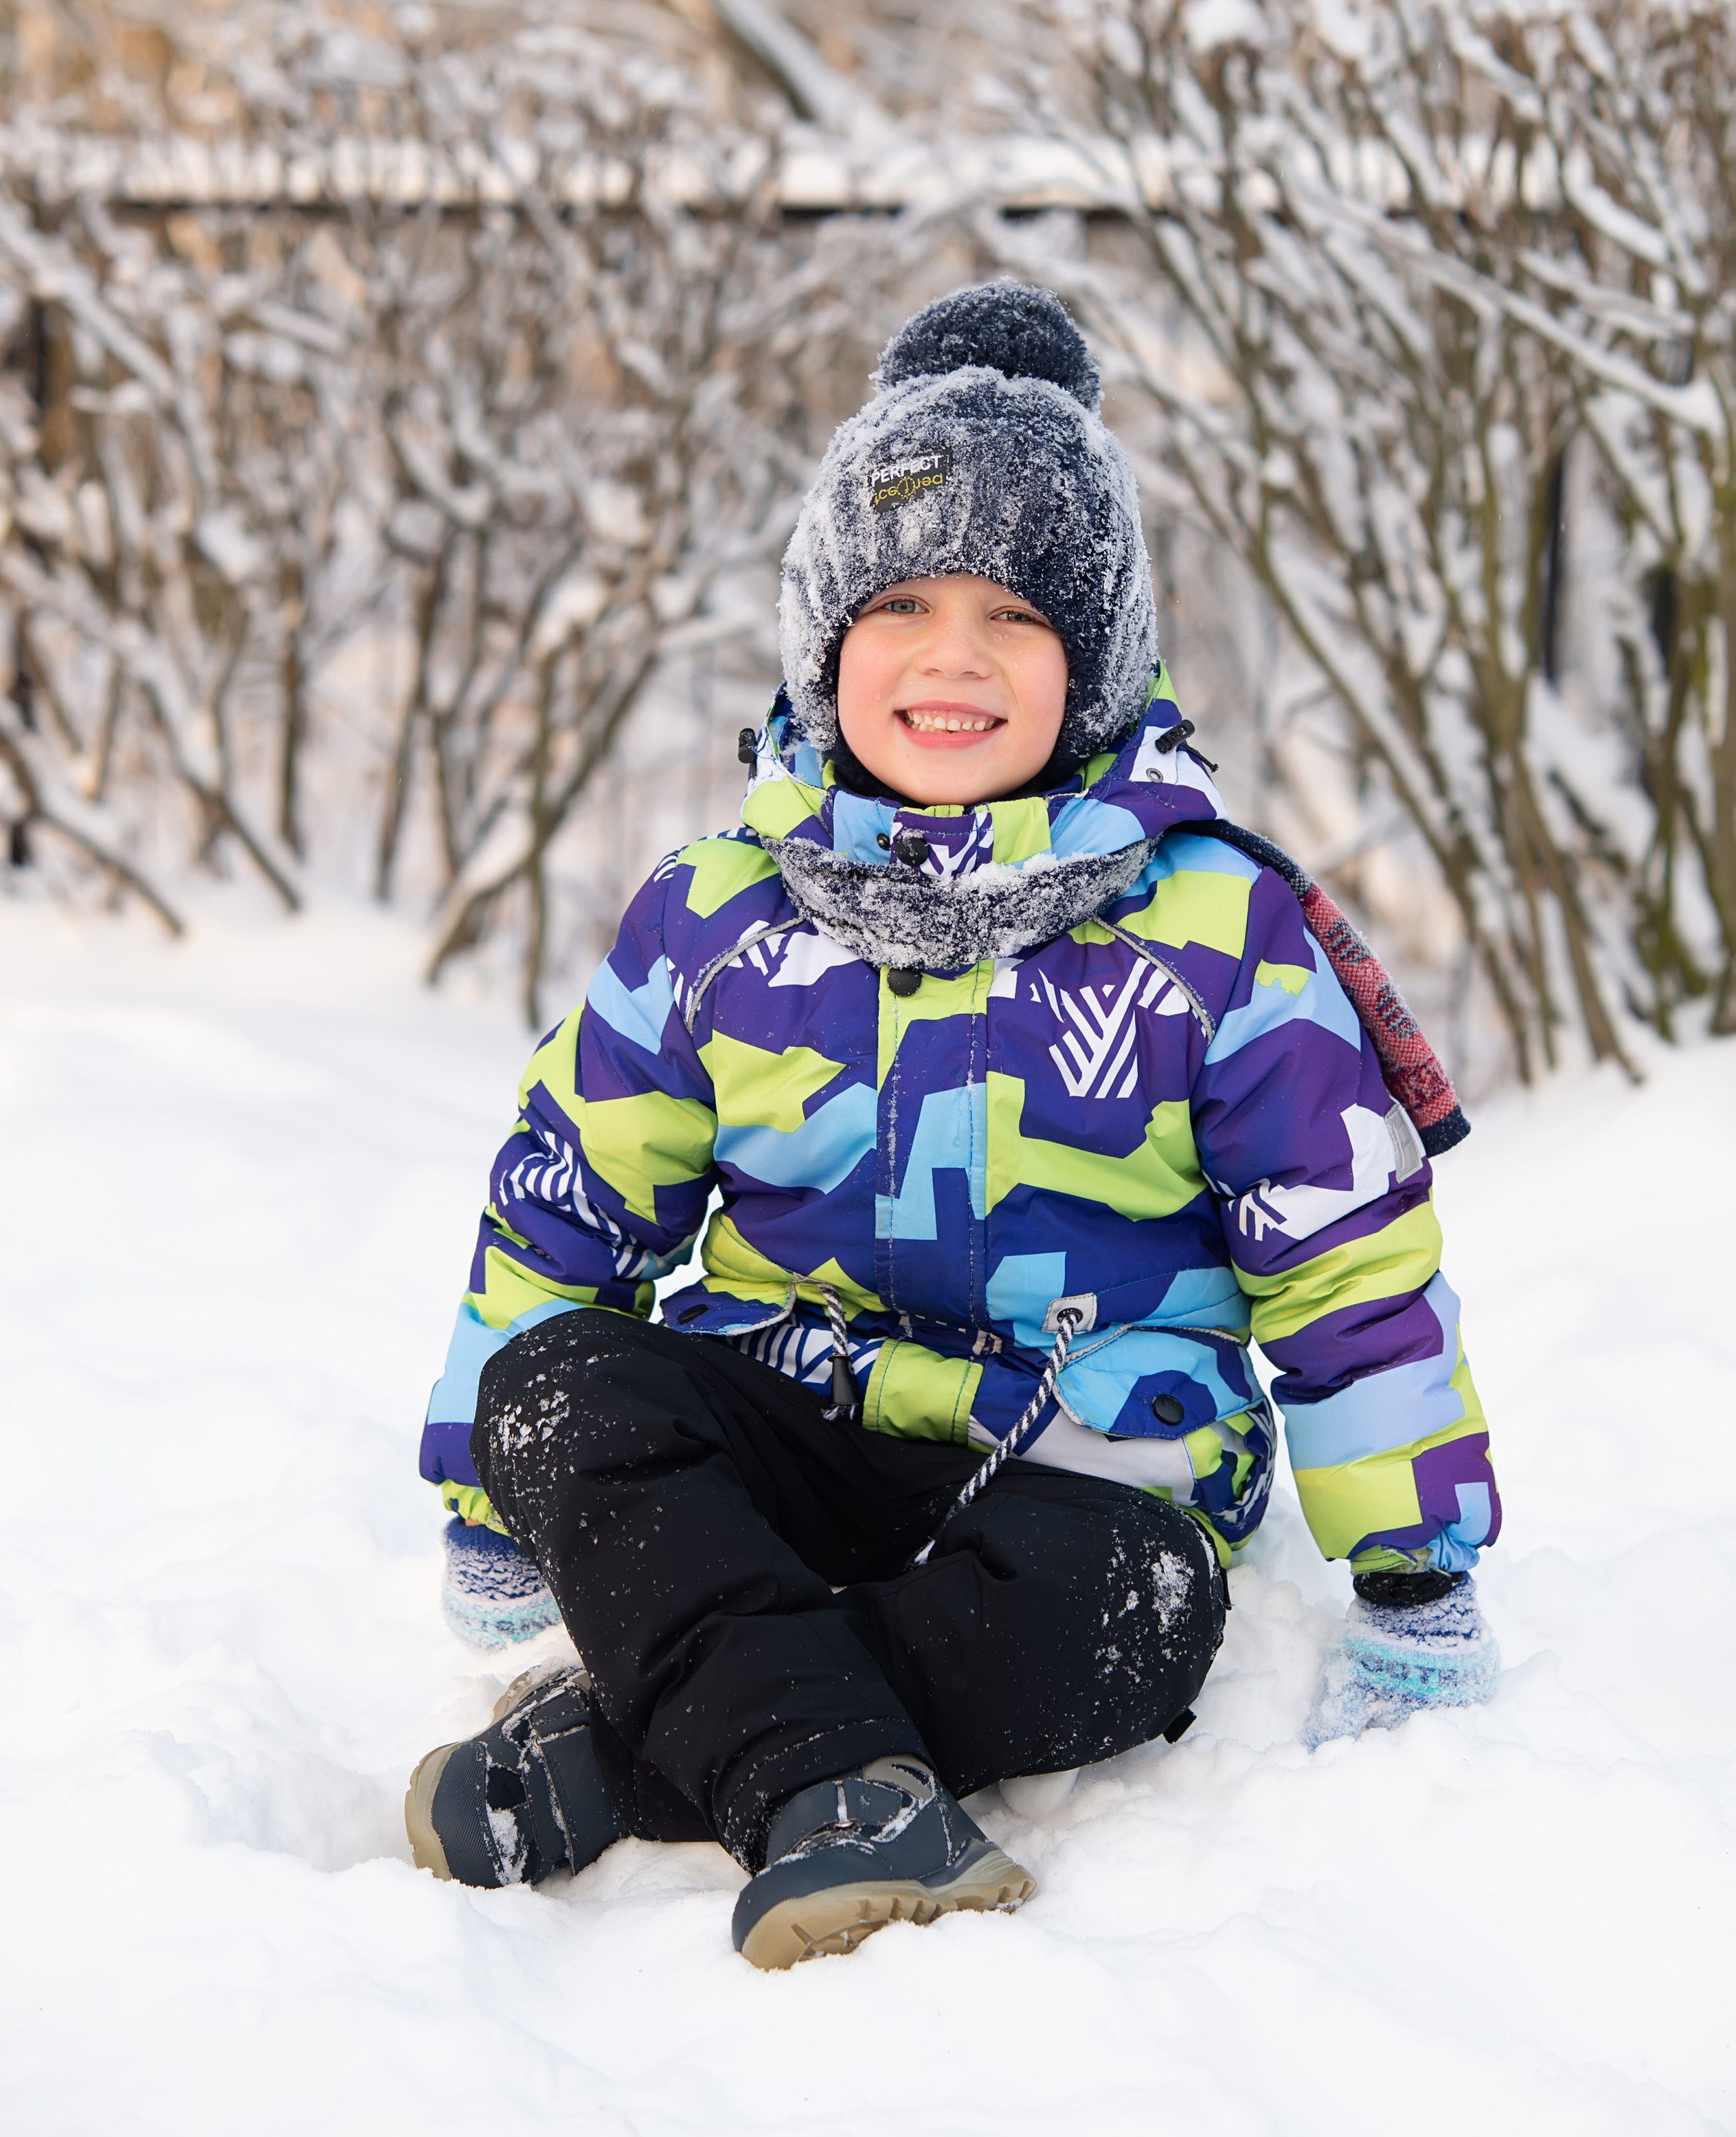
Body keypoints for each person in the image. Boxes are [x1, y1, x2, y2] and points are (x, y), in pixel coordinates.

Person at [405, 281, 1500, 1969]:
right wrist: (498, 1499)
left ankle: (649, 1745)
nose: (950, 658)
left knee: (1121, 1627)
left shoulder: (1212, 927)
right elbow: (570, 1197)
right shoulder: (716, 914)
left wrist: (1411, 1568)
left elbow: (1343, 1252)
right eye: (899, 602)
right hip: (794, 1413)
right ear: (823, 640)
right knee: (555, 1396)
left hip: (1082, 1467)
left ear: (1098, 658)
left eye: (1014, 615)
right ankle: (835, 1770)